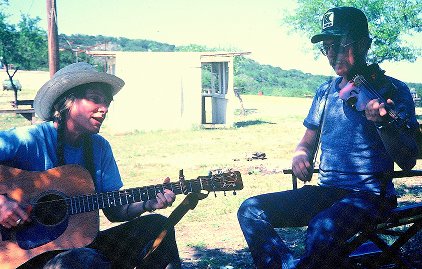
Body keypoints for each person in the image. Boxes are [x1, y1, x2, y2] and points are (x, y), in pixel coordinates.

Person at [237, 6, 419, 269]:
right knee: (251, 210)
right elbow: (308, 140)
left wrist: (384, 126)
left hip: (369, 196)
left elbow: (407, 160)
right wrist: (301, 155)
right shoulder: (325, 92)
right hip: (327, 191)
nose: (332, 54)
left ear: (364, 44)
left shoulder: (394, 91)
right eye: (327, 47)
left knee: (323, 226)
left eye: (340, 44)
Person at [0, 62, 181, 269]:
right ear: (67, 102)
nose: (104, 109)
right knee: (84, 260)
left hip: (76, 249)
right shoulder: (28, 139)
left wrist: (147, 204)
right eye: (95, 99)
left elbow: (115, 212)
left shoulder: (99, 148)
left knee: (158, 226)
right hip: (24, 258)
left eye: (107, 103)